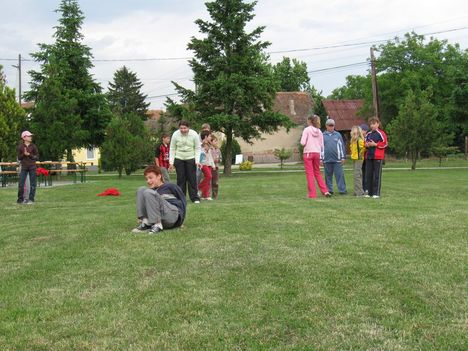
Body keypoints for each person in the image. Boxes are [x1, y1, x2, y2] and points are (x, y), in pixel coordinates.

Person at [133, 165, 186, 234]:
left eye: (150, 178)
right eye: (146, 179)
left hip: (172, 216)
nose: (148, 181)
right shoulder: (149, 192)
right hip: (161, 218)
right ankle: (146, 222)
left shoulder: (170, 186)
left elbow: (183, 201)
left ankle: (157, 224)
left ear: (159, 176)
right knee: (141, 189)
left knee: (148, 192)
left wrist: (180, 221)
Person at [169, 120, 201, 203]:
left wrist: (197, 161)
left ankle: (194, 198)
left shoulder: (194, 134)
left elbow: (197, 148)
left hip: (191, 158)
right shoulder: (175, 134)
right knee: (180, 180)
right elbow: (172, 148)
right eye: (181, 128)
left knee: (192, 179)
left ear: (188, 128)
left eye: (185, 128)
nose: (183, 130)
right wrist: (171, 162)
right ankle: (181, 198)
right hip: (179, 159)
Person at [300, 115, 331, 198]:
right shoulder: (319, 131)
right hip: (317, 153)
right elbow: (322, 145)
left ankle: (312, 194)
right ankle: (325, 191)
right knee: (317, 173)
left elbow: (302, 142)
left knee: (310, 174)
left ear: (309, 121)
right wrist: (321, 156)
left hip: (308, 153)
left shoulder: (307, 130)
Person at [364, 117, 388, 198]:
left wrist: (376, 144)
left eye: (374, 124)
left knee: (376, 175)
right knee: (369, 175)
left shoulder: (381, 133)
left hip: (378, 157)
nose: (372, 126)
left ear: (378, 124)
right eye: (371, 124)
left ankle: (376, 193)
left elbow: (385, 144)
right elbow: (365, 143)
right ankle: (369, 193)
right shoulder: (368, 134)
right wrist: (367, 145)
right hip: (369, 157)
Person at [322, 118, 347, 195]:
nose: (331, 127)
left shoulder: (338, 135)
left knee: (340, 175)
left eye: (332, 125)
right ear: (326, 126)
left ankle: (342, 190)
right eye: (329, 125)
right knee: (328, 176)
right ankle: (329, 190)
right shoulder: (322, 135)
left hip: (337, 160)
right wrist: (321, 158)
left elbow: (342, 146)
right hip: (326, 160)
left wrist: (343, 157)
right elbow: (320, 147)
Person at [17, 131, 39, 204]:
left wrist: (29, 155)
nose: (30, 137)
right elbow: (19, 158)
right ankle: (20, 200)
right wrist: (24, 154)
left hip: (32, 167)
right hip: (24, 167)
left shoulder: (34, 146)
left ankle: (31, 199)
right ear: (24, 138)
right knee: (21, 184)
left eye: (30, 136)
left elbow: (37, 157)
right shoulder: (20, 146)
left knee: (33, 184)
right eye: (29, 136)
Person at [350, 125, 365, 196]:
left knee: (357, 175)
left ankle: (359, 192)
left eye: (356, 133)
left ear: (359, 133)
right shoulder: (353, 141)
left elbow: (364, 148)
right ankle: (357, 191)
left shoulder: (360, 140)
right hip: (355, 158)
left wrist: (360, 154)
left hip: (359, 159)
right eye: (353, 133)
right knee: (357, 175)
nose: (354, 134)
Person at [210, 135, 222, 199]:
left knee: (215, 182)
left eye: (216, 141)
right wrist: (212, 160)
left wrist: (218, 160)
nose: (216, 142)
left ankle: (215, 195)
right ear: (211, 142)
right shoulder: (209, 149)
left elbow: (221, 158)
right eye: (215, 141)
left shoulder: (218, 150)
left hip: (216, 167)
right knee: (208, 182)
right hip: (210, 167)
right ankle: (207, 195)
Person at [360, 123, 369, 194]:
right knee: (362, 173)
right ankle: (362, 187)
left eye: (362, 130)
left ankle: (366, 187)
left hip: (367, 158)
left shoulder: (368, 137)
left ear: (365, 131)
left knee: (367, 172)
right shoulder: (360, 138)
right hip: (361, 158)